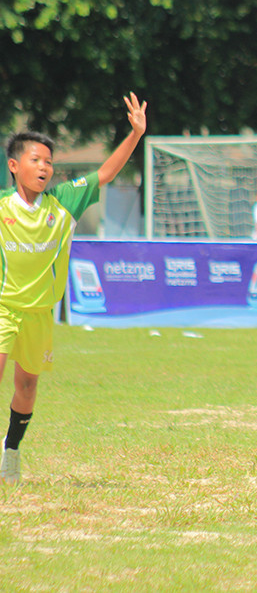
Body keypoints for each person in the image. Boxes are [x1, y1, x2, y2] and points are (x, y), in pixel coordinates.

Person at [1, 92, 147, 484]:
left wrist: (135, 134)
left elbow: (106, 173)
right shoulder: (1, 207)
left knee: (27, 387)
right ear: (14, 166)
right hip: (3, 309)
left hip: (39, 312)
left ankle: (10, 450)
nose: (45, 167)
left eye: (49, 161)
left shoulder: (63, 202)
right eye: (36, 160)